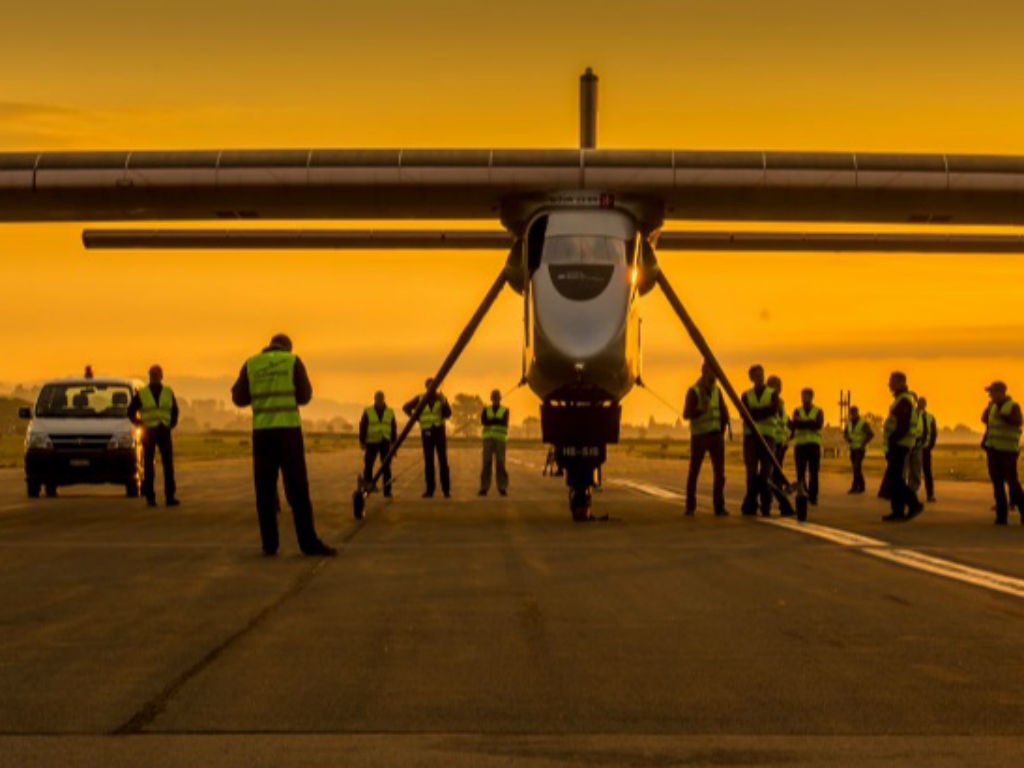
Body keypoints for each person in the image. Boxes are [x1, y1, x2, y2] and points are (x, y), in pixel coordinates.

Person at [231, 334, 335, 557]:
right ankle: (308, 543)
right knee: (298, 490)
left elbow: (238, 398)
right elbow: (305, 395)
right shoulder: (292, 361)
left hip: (262, 434)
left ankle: (270, 545)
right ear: (288, 347)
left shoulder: (251, 363)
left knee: (265, 492)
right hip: (289, 433)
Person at [128, 364, 180, 507]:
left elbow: (175, 411)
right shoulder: (142, 393)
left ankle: (170, 496)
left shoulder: (168, 392)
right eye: (153, 375)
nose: (155, 377)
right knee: (149, 466)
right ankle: (150, 497)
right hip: (150, 431)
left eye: (157, 375)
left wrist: (170, 424)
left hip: (163, 430)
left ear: (161, 376)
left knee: (168, 465)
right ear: (150, 376)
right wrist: (140, 423)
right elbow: (131, 411)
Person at [683, 361, 730, 516]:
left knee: (720, 474)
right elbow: (686, 414)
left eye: (715, 373)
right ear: (704, 372)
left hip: (716, 436)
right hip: (700, 437)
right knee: (694, 471)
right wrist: (700, 411)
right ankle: (690, 506)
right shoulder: (694, 391)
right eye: (711, 372)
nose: (714, 376)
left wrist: (723, 430)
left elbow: (723, 411)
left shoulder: (718, 391)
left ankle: (719, 506)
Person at [881, 371, 924, 523]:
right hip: (898, 444)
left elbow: (903, 425)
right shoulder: (900, 399)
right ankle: (897, 511)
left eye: (892, 381)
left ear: (901, 382)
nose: (890, 385)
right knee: (894, 478)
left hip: (900, 444)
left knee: (896, 478)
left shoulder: (904, 400)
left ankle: (914, 504)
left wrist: (893, 439)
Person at [981, 381, 1024, 525]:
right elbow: (985, 420)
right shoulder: (992, 407)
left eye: (992, 392)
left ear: (1001, 393)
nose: (990, 395)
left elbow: (1018, 422)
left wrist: (1002, 416)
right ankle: (1001, 516)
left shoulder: (1012, 406)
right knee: (997, 484)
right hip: (993, 450)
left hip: (1008, 451)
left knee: (1012, 482)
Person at [403, 378, 452, 498]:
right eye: (430, 386)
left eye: (434, 386)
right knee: (429, 462)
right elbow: (406, 407)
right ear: (426, 387)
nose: (432, 388)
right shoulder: (420, 398)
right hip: (426, 432)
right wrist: (416, 418)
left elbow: (448, 414)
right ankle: (430, 490)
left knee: (443, 462)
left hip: (439, 431)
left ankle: (446, 490)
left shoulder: (441, 398)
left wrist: (444, 403)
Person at [740, 364, 779, 517]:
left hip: (767, 437)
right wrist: (761, 412)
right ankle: (751, 503)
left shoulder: (772, 394)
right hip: (751, 438)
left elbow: (773, 410)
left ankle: (766, 504)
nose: (760, 378)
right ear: (751, 378)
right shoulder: (746, 395)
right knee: (751, 471)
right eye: (756, 375)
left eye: (761, 375)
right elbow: (744, 413)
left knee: (765, 472)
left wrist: (754, 414)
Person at [359, 390, 397, 498]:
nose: (379, 401)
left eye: (381, 399)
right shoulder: (368, 411)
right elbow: (363, 427)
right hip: (372, 442)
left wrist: (394, 443)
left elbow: (393, 428)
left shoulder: (390, 412)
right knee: (368, 466)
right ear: (374, 399)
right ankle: (368, 488)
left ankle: (387, 490)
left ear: (383, 399)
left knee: (386, 467)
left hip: (385, 441)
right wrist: (362, 441)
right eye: (377, 399)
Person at [789, 388, 824, 505]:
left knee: (814, 472)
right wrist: (810, 422)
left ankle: (813, 496)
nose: (804, 398)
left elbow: (818, 425)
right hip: (800, 445)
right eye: (802, 396)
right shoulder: (797, 410)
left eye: (806, 396)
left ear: (811, 397)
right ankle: (802, 494)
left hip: (813, 445)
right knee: (800, 472)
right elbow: (795, 424)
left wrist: (802, 422)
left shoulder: (818, 411)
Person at [479, 389, 510, 496]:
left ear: (500, 398)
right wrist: (496, 420)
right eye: (494, 397)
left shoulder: (505, 410)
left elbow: (504, 422)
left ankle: (502, 487)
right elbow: (483, 421)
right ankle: (484, 487)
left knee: (500, 463)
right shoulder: (486, 409)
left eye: (497, 397)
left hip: (500, 440)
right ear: (491, 399)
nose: (496, 399)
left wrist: (491, 421)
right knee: (486, 463)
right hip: (488, 439)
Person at [843, 405, 874, 494]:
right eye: (851, 413)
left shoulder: (863, 423)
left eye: (854, 413)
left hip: (860, 449)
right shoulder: (848, 424)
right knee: (856, 468)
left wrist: (863, 443)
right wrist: (848, 439)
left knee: (857, 467)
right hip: (852, 448)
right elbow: (845, 433)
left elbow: (870, 434)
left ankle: (855, 487)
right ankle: (862, 486)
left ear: (857, 413)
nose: (852, 415)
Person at [767, 375, 788, 492]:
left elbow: (783, 421)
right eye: (774, 386)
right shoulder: (768, 401)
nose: (777, 389)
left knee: (778, 465)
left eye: (778, 386)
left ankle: (777, 484)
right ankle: (771, 486)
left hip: (780, 440)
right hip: (771, 438)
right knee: (770, 465)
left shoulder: (781, 403)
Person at [918, 397, 937, 502]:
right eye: (920, 403)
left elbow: (934, 433)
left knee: (927, 472)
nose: (921, 405)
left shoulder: (930, 417)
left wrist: (930, 445)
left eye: (923, 403)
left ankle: (930, 494)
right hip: (915, 448)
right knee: (913, 472)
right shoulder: (915, 415)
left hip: (926, 449)